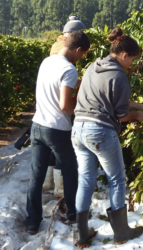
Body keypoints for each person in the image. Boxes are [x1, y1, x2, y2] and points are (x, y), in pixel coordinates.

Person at [71, 27, 143, 246]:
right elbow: (121, 114)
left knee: (86, 180)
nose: (132, 65)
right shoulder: (119, 75)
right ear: (125, 55)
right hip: (99, 132)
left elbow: (103, 98)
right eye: (132, 60)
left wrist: (138, 104)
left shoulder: (93, 67)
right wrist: (137, 114)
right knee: (117, 179)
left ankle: (81, 235)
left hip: (78, 129)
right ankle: (121, 233)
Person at [26, 31, 90, 235]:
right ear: (78, 49)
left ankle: (32, 221)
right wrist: (82, 109)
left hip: (37, 125)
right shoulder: (69, 69)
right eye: (83, 54)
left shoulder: (47, 61)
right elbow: (64, 105)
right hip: (57, 129)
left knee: (36, 176)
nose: (81, 59)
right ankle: (73, 215)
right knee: (70, 172)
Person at [42, 16, 87, 197]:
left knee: (49, 155)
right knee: (64, 158)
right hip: (57, 117)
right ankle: (63, 194)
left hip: (43, 117)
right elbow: (64, 101)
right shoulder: (66, 61)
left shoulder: (50, 57)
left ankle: (48, 183)